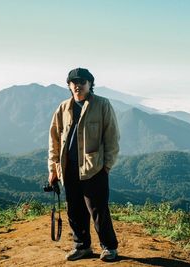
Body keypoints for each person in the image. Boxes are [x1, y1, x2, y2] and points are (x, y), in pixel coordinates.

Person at [48, 67, 120, 261]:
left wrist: (106, 166)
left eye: (82, 82)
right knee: (74, 210)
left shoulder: (102, 105)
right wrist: (53, 169)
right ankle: (82, 247)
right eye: (74, 82)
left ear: (90, 84)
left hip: (94, 168)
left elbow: (112, 138)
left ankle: (109, 247)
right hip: (68, 168)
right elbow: (54, 140)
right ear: (69, 86)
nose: (77, 85)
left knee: (98, 210)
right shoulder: (63, 108)